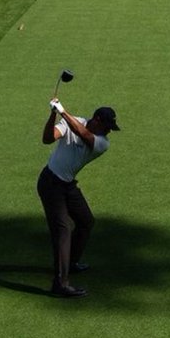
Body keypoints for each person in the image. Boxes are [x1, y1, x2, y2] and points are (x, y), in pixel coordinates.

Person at [37, 98, 119, 298]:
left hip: (67, 185)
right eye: (107, 126)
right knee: (63, 230)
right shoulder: (72, 122)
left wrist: (63, 111)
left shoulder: (102, 143)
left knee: (85, 221)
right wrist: (53, 115)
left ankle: (70, 263)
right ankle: (60, 283)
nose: (109, 131)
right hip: (50, 183)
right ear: (97, 119)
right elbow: (47, 139)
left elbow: (83, 134)